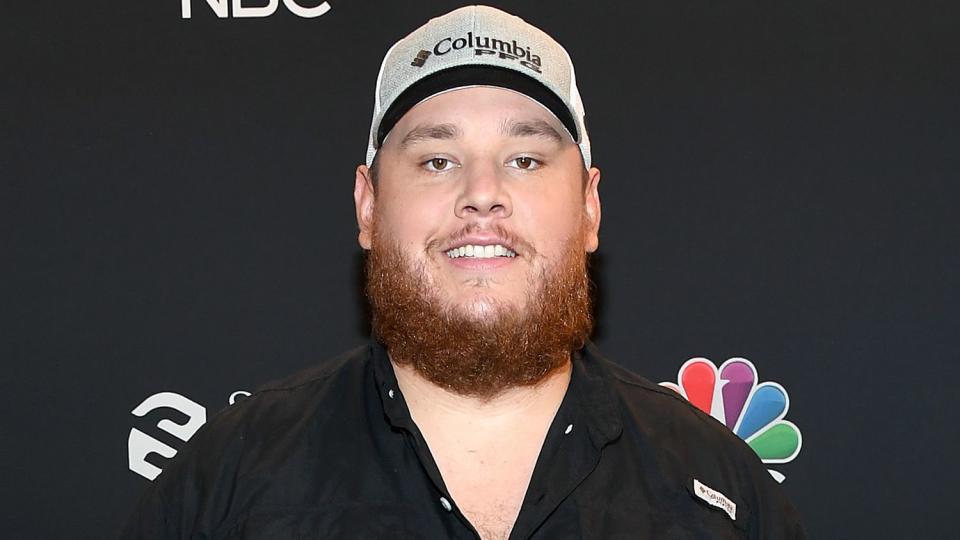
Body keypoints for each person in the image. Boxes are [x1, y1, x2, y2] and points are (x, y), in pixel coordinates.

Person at [122, 5, 806, 539]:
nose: (483, 192)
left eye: (526, 159)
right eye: (436, 161)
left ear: (590, 208)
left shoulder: (722, 497)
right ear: (367, 206)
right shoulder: (226, 488)